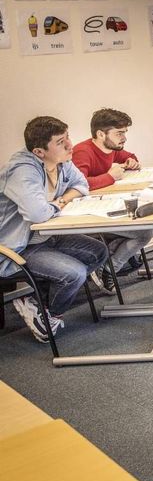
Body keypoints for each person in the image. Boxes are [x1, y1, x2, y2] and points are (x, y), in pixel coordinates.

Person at [0, 116, 109, 343]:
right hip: (19, 246)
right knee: (74, 274)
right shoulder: (22, 171)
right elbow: (37, 214)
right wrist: (58, 204)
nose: (70, 145)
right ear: (39, 151)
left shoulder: (61, 161)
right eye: (61, 141)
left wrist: (61, 199)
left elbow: (82, 185)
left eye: (67, 136)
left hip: (48, 236)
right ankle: (50, 316)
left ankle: (39, 304)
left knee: (99, 251)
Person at [72, 108, 153, 292]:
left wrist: (132, 161)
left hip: (108, 206)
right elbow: (79, 184)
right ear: (101, 134)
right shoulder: (82, 152)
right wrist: (110, 177)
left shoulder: (112, 148)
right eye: (119, 133)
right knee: (145, 232)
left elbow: (128, 156)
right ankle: (111, 268)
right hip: (87, 213)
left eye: (125, 132)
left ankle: (107, 256)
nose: (124, 138)